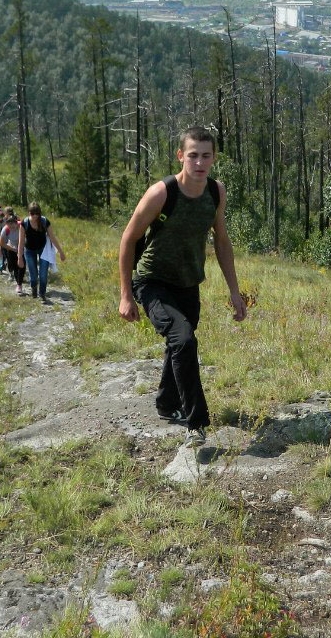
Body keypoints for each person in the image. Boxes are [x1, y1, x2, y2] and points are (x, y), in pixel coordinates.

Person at [118, 126, 246, 447]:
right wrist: (125, 295)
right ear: (181, 156)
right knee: (183, 340)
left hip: (189, 283)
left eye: (206, 156)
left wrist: (234, 291)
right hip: (152, 281)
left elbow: (222, 240)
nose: (199, 162)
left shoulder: (216, 192)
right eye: (193, 155)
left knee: (180, 343)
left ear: (214, 158)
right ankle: (197, 422)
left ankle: (165, 403)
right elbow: (129, 239)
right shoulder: (162, 193)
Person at [23, 202, 66, 302]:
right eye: (32, 214)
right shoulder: (25, 223)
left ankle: (42, 293)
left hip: (43, 250)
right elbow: (21, 241)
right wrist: (19, 257)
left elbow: (52, 237)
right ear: (29, 213)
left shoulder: (44, 221)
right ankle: (34, 288)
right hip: (29, 250)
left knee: (43, 274)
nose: (35, 216)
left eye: (37, 213)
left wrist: (61, 252)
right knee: (33, 275)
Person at [0, 210, 27, 295]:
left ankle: (19, 285)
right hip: (10, 248)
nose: (11, 227)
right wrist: (12, 249)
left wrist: (20, 249)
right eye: (9, 224)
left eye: (13, 224)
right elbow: (2, 243)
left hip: (21, 247)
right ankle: (11, 270)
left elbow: (26, 239)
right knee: (14, 266)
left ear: (16, 223)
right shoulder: (5, 229)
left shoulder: (22, 226)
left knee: (22, 266)